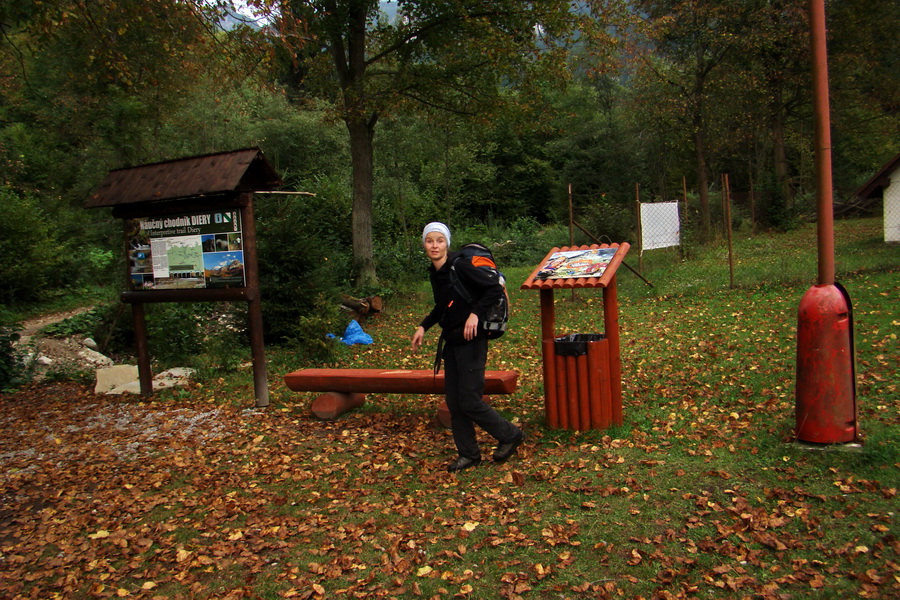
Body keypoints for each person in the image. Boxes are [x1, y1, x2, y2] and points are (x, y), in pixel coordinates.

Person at [411, 222, 524, 472]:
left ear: (447, 243)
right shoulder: (436, 273)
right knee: (454, 401)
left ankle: (510, 435)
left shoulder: (459, 265)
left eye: (439, 240)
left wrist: (475, 314)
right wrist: (423, 326)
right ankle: (469, 454)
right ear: (424, 244)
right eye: (430, 241)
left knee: (470, 401)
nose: (434, 245)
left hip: (472, 342)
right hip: (452, 341)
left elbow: (494, 289)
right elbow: (443, 305)